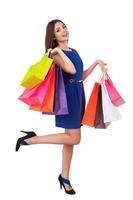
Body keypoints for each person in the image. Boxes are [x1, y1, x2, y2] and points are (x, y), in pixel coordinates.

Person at [15, 19, 107, 195]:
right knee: (74, 138)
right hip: (68, 98)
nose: (63, 30)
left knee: (69, 138)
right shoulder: (56, 54)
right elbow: (71, 70)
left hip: (78, 93)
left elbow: (80, 76)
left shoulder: (74, 51)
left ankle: (65, 177)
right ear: (53, 36)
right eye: (58, 29)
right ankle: (32, 139)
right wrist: (57, 51)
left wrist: (96, 63)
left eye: (64, 27)